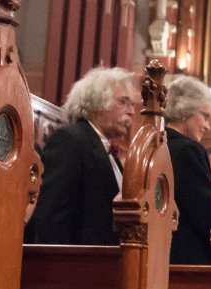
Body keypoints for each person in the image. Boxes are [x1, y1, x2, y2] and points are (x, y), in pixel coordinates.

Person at [27, 67, 137, 245]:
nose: (132, 111)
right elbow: (53, 216)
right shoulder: (70, 140)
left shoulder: (107, 148)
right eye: (123, 102)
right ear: (97, 102)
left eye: (132, 105)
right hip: (78, 265)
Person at [164, 75, 211, 264]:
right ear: (185, 111)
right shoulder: (188, 149)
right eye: (205, 116)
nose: (207, 126)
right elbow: (206, 210)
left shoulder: (155, 143)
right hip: (189, 256)